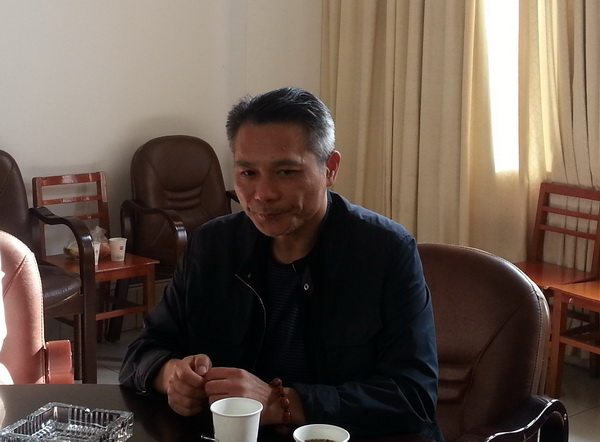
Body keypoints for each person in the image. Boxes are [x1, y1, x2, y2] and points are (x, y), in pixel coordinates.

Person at [119, 86, 443, 441]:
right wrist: (171, 376)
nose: (262, 194)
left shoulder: (385, 251)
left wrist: (282, 402)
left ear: (330, 168)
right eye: (248, 173)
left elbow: (413, 397)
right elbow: (142, 352)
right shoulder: (212, 245)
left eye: (286, 172)